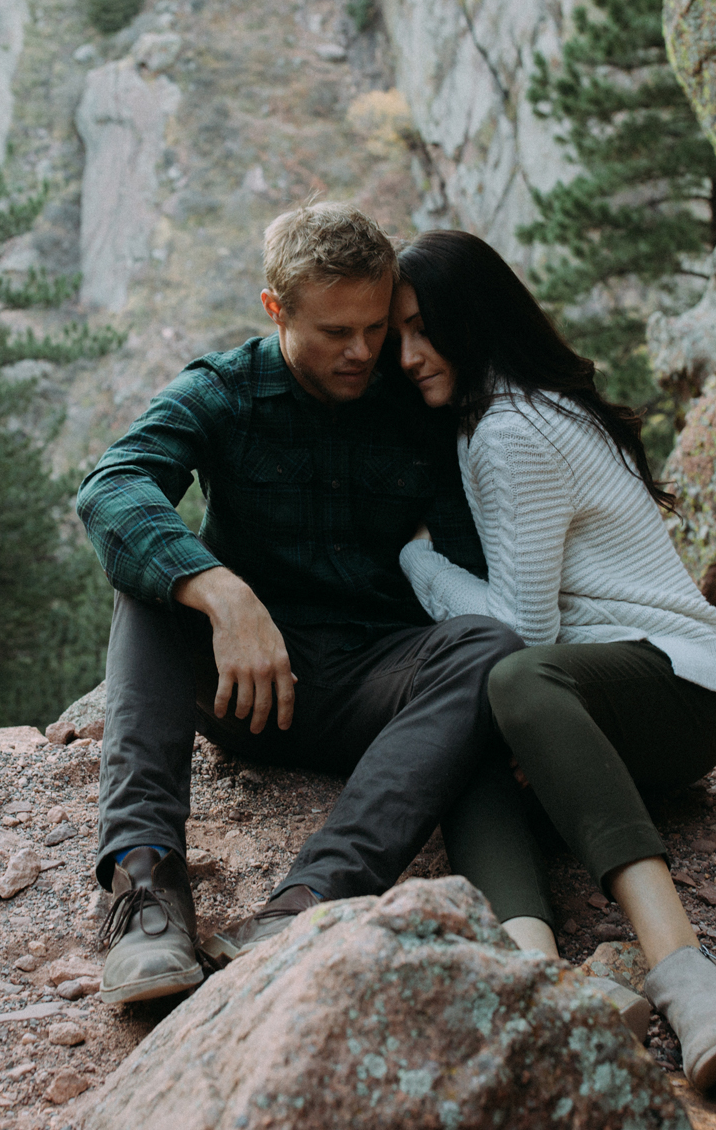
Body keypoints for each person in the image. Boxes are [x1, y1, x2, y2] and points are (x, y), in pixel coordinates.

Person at [74, 202, 522, 1005]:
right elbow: (112, 485)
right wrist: (220, 590)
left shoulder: (415, 396)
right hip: (245, 686)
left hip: (378, 695)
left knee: (487, 644)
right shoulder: (224, 390)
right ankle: (145, 890)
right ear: (275, 309)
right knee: (149, 583)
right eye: (334, 332)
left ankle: (308, 903)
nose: (362, 351)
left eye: (375, 327)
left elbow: (479, 562)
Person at [390, 228, 716, 1091]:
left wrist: (416, 558)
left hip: (677, 688)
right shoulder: (498, 417)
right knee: (467, 733)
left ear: (472, 318)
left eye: (423, 328)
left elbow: (520, 630)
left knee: (510, 676)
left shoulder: (511, 428)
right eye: (397, 337)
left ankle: (685, 974)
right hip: (606, 700)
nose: (408, 356)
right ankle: (543, 978)